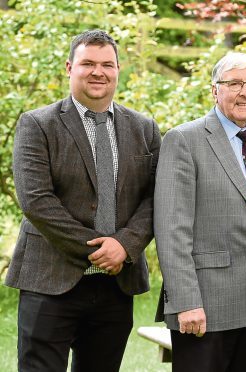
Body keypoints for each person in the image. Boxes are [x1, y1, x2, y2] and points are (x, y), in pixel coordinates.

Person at [5, 30, 161, 372]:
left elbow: (156, 197)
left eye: (107, 64)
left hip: (115, 285)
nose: (98, 72)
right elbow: (36, 200)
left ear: (118, 69)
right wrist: (98, 250)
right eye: (87, 63)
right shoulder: (37, 124)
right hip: (50, 279)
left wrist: (125, 245)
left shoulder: (144, 128)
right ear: (69, 67)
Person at [154, 52, 246, 372]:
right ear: (215, 90)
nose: (245, 92)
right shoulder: (184, 140)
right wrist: (186, 302)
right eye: (234, 83)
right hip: (205, 308)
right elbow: (172, 229)